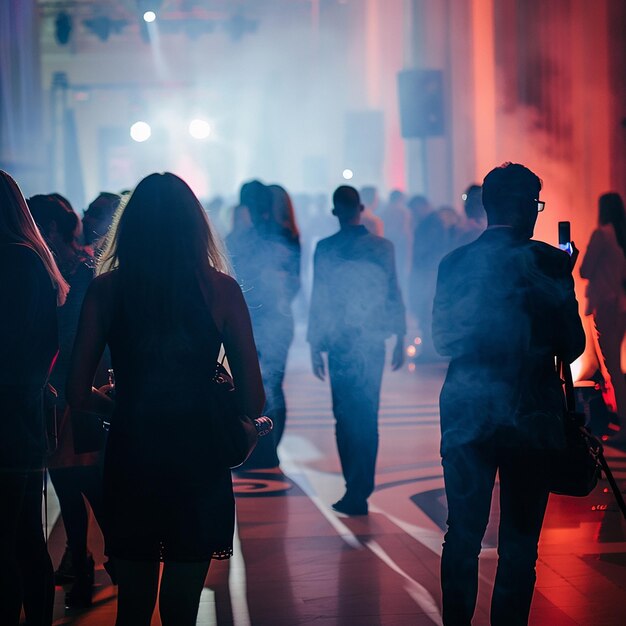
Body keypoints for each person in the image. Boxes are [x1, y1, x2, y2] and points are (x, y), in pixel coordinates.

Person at [67, 172, 265, 626]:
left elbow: (77, 392)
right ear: (195, 227)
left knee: (133, 608)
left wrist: (119, 406)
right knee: (182, 607)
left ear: (130, 226)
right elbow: (253, 398)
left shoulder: (106, 290)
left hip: (133, 452)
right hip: (197, 456)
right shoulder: (220, 290)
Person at [432, 163, 585, 625]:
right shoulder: (550, 262)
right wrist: (563, 280)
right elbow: (572, 344)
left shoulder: (454, 263)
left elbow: (443, 340)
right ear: (524, 208)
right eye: (536, 204)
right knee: (519, 543)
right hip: (531, 416)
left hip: (466, 412)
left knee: (462, 533)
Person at [28, 193, 109, 607]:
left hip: (79, 392)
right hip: (65, 393)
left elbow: (75, 337)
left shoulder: (80, 270)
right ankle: (85, 560)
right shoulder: (60, 267)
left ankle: (106, 561)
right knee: (72, 487)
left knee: (89, 486)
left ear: (53, 229)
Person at [308, 185, 406, 515]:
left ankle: (355, 486)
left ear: (335, 212)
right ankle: (359, 487)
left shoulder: (325, 248)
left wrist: (314, 344)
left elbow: (318, 298)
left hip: (339, 344)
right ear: (361, 208)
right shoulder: (382, 247)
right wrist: (401, 337)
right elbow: (393, 290)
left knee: (344, 417)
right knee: (367, 416)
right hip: (372, 343)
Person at [0, 171, 69, 626]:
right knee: (22, 534)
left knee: (11, 538)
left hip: (10, 411)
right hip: (21, 409)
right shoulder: (29, 258)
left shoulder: (14, 261)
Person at [227, 180, 300, 468]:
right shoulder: (286, 233)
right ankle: (269, 450)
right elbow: (293, 282)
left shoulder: (244, 236)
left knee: (251, 382)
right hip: (278, 318)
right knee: (273, 384)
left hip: (253, 318)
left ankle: (259, 449)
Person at [580, 192, 626, 445]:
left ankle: (623, 424)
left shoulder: (601, 235)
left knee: (612, 371)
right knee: (617, 368)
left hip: (605, 306)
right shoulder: (621, 236)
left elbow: (585, 269)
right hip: (619, 303)